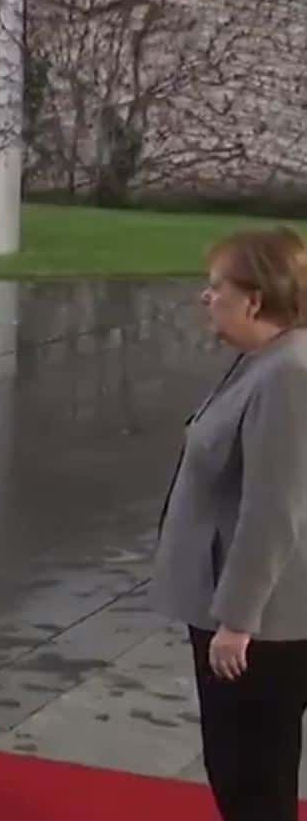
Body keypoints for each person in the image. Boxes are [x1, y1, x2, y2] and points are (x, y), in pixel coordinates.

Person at [151, 227, 307, 821]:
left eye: (217, 287)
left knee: (250, 778)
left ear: (255, 300)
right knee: (244, 769)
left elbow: (273, 506)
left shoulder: (287, 375)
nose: (205, 298)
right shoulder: (264, 361)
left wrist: (237, 619)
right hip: (252, 614)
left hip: (261, 626)